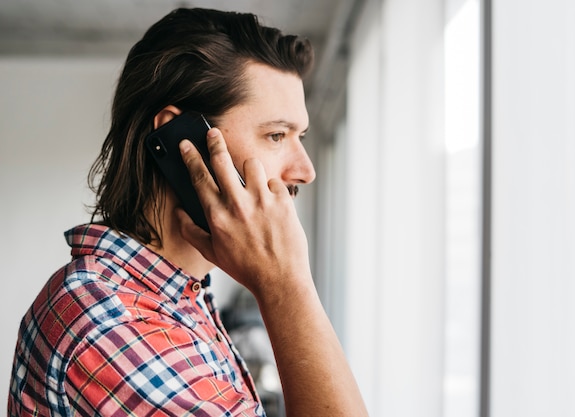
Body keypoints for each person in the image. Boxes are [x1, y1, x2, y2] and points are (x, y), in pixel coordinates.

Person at [8, 8, 368, 417]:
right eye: (276, 135)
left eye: (299, 137)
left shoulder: (178, 297)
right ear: (183, 143)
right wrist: (286, 286)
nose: (305, 171)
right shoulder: (109, 322)